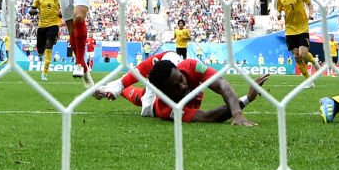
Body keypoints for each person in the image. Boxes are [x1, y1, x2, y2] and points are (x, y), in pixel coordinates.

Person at [93, 52, 265, 125]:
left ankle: (117, 85)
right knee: (139, 99)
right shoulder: (166, 109)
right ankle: (114, 88)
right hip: (152, 104)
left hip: (162, 77)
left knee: (169, 55)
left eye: (181, 79)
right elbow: (208, 116)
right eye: (175, 87)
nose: (183, 86)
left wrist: (238, 113)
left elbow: (222, 84)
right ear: (164, 92)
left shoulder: (191, 66)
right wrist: (247, 99)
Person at [275, 0, 317, 86]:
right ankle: (308, 81)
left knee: (303, 55)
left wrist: (311, 14)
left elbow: (309, 4)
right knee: (297, 56)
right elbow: (278, 10)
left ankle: (313, 61)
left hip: (302, 27)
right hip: (290, 30)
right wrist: (278, 15)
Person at [30, 0, 62, 81]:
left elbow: (65, 9)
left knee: (49, 46)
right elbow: (32, 9)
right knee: (40, 51)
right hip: (42, 26)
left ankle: (44, 73)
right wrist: (33, 11)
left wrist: (62, 14)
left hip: (54, 25)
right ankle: (43, 53)